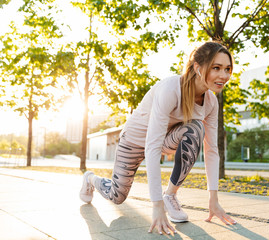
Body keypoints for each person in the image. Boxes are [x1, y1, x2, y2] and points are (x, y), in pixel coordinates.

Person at [79, 41, 237, 235]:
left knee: (195, 129)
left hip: (166, 140)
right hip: (134, 141)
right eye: (216, 68)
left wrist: (214, 200)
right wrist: (156, 206)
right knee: (117, 196)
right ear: (198, 67)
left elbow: (212, 150)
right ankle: (90, 179)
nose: (224, 75)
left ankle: (171, 195)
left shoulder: (211, 102)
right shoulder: (170, 88)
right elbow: (151, 146)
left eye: (227, 69)